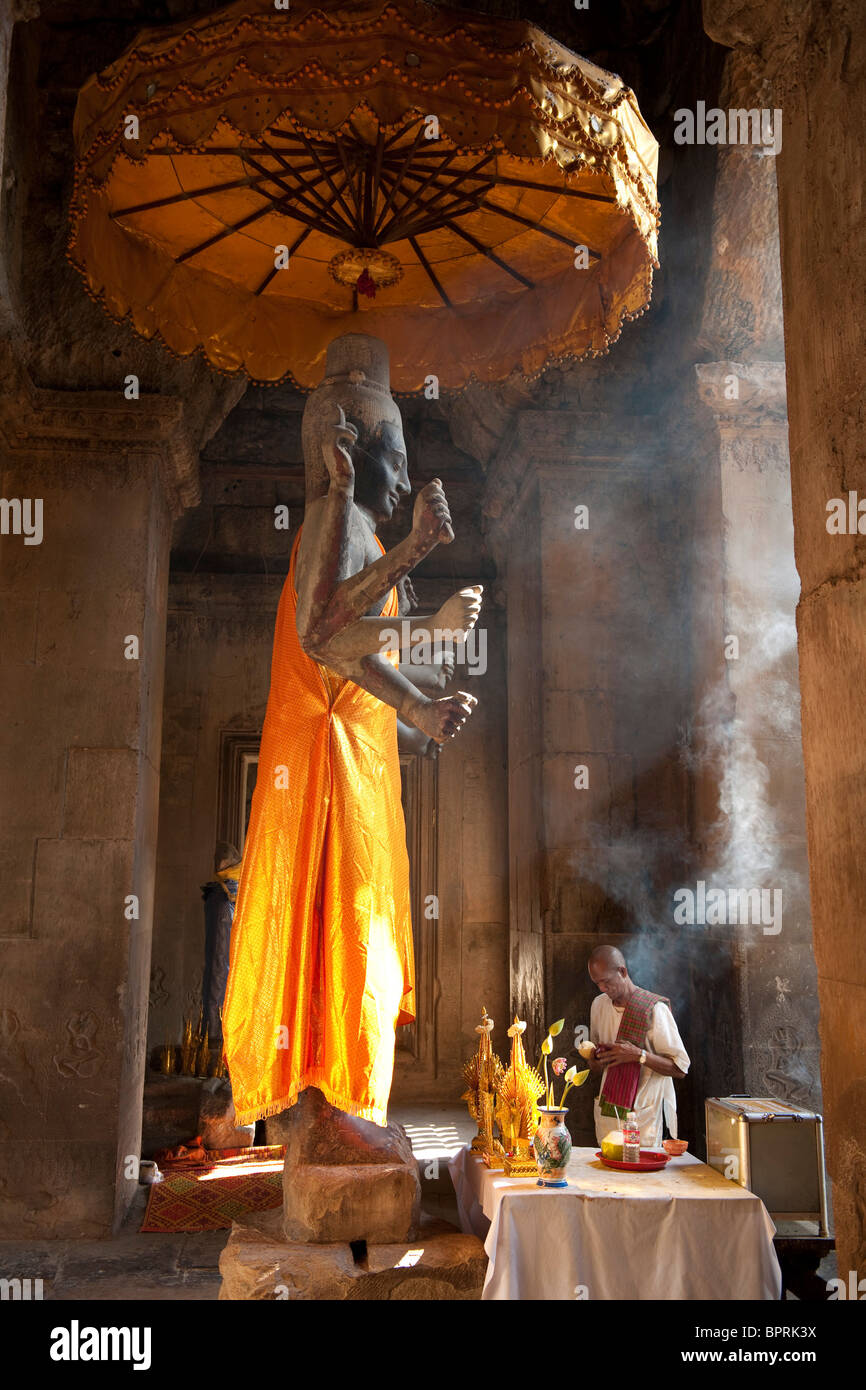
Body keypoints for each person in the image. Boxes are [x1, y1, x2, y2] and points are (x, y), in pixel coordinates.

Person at [222, 333, 482, 1128]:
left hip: (356, 770)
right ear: (349, 453)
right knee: (340, 943)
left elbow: (363, 661)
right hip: (323, 777)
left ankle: (345, 1111)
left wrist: (427, 691)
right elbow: (326, 632)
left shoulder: (359, 530)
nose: (404, 474)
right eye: (395, 453)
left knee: (359, 943)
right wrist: (415, 552)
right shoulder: (336, 514)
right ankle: (331, 1112)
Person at [585, 943, 689, 1148]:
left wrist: (638, 1055)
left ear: (622, 971)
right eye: (597, 984)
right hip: (610, 1113)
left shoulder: (654, 1010)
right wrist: (595, 1059)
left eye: (606, 982)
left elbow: (680, 1068)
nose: (602, 989)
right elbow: (596, 1067)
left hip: (644, 1117)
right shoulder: (598, 1005)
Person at [200, 841, 242, 1040]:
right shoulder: (229, 897)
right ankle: (215, 1031)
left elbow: (219, 964)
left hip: (226, 990)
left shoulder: (224, 898)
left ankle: (214, 1031)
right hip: (230, 987)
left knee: (218, 970)